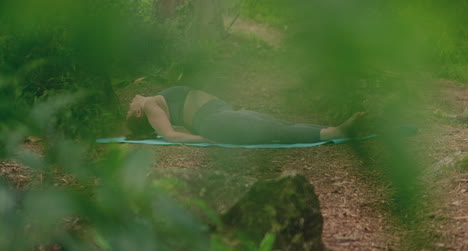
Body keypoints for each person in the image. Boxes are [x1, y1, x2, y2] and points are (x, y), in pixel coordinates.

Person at [126, 86, 365, 144]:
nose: (130, 104)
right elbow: (169, 136)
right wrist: (207, 140)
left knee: (275, 123)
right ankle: (334, 132)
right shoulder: (149, 107)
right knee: (273, 130)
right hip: (212, 123)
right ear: (137, 115)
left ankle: (330, 129)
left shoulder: (152, 100)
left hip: (220, 114)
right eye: (128, 110)